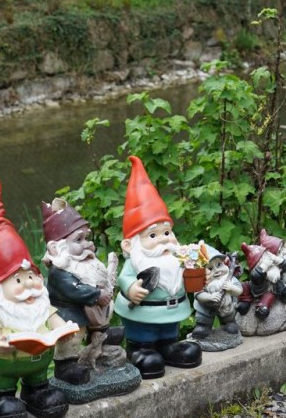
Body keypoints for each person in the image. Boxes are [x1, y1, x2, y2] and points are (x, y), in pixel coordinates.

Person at [0, 180, 73, 418]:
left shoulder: (40, 305)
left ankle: (37, 391)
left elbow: (54, 319)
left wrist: (63, 330)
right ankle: (1, 399)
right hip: (5, 362)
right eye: (18, 280)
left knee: (41, 385)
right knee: (5, 390)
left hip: (37, 362)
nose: (29, 285)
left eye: (32, 277)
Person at [113, 156, 203, 378]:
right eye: (152, 235)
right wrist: (131, 288)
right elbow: (124, 279)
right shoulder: (136, 261)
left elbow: (190, 277)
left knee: (171, 335)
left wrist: (199, 275)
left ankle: (169, 347)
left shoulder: (177, 259)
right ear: (129, 244)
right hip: (142, 315)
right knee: (146, 342)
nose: (164, 240)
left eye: (167, 232)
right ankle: (140, 350)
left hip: (172, 313)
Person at [40, 197, 126, 384]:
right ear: (57, 247)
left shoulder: (82, 263)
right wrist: (96, 294)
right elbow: (74, 289)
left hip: (89, 311)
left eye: (86, 238)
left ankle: (100, 342)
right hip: (69, 314)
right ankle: (66, 366)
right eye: (79, 239)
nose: (87, 244)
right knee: (72, 338)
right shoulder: (59, 271)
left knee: (97, 323)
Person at [189, 246, 243, 344]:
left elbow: (239, 291)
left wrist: (231, 288)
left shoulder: (229, 279)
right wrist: (209, 297)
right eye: (210, 268)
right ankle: (203, 327)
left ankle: (228, 323)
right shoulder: (201, 282)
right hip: (207, 307)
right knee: (203, 317)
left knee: (229, 317)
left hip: (226, 306)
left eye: (219, 265)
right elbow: (199, 295)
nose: (217, 271)